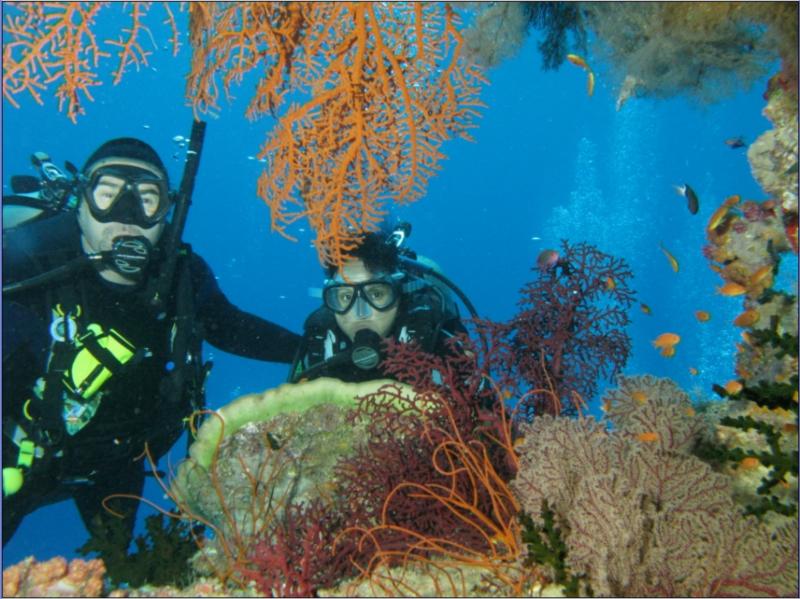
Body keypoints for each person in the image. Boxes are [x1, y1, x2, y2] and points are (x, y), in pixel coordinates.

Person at [2, 135, 302, 551]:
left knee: (116, 561)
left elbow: (229, 326)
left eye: (147, 198)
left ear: (167, 210)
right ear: (81, 205)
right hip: (22, 462)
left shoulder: (181, 273)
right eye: (108, 194)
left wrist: (312, 349)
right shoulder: (25, 270)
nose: (126, 217)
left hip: (120, 464)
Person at [289, 223, 473, 383]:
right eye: (346, 297)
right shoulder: (319, 343)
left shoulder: (435, 343)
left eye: (376, 294)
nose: (360, 312)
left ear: (399, 294)